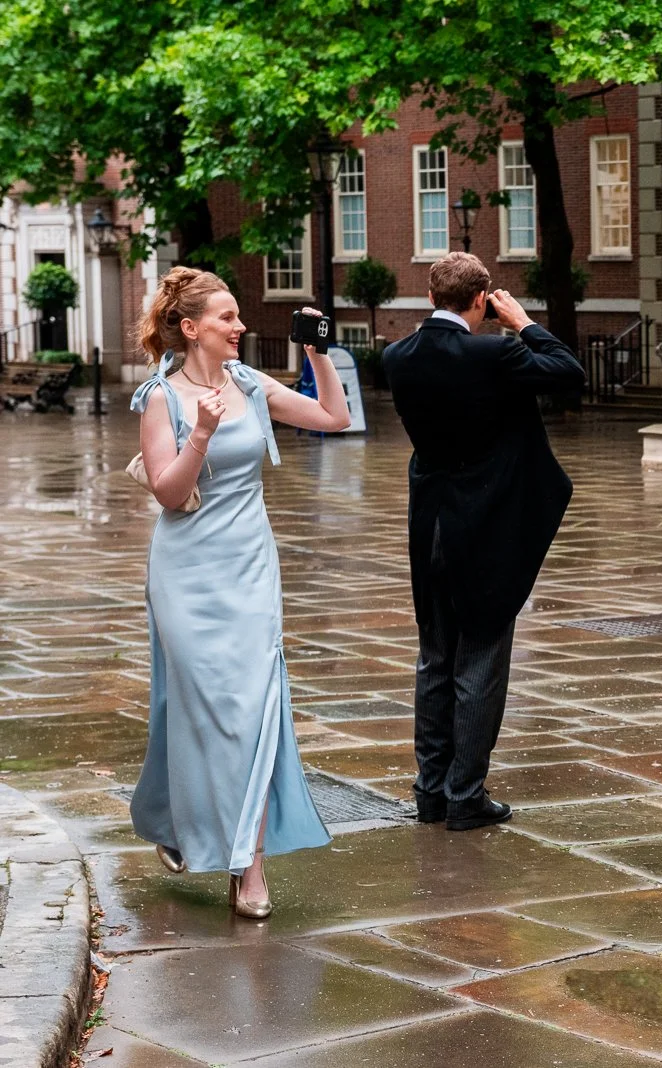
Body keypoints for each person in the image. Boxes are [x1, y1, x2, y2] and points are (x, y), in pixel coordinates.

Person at [129, 267, 351, 919]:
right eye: (227, 317)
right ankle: (177, 817)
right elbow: (168, 492)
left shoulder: (250, 384)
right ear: (191, 327)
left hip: (250, 563)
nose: (240, 326)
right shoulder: (161, 398)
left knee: (251, 711)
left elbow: (334, 417)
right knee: (198, 708)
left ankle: (248, 866)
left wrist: (317, 352)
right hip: (185, 572)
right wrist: (199, 432)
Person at [382, 252, 585, 831]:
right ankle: (465, 795)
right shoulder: (494, 353)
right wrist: (522, 321)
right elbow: (568, 372)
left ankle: (430, 791)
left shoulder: (397, 356)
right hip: (484, 527)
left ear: (430, 297)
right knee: (481, 660)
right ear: (481, 300)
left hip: (428, 524)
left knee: (435, 658)